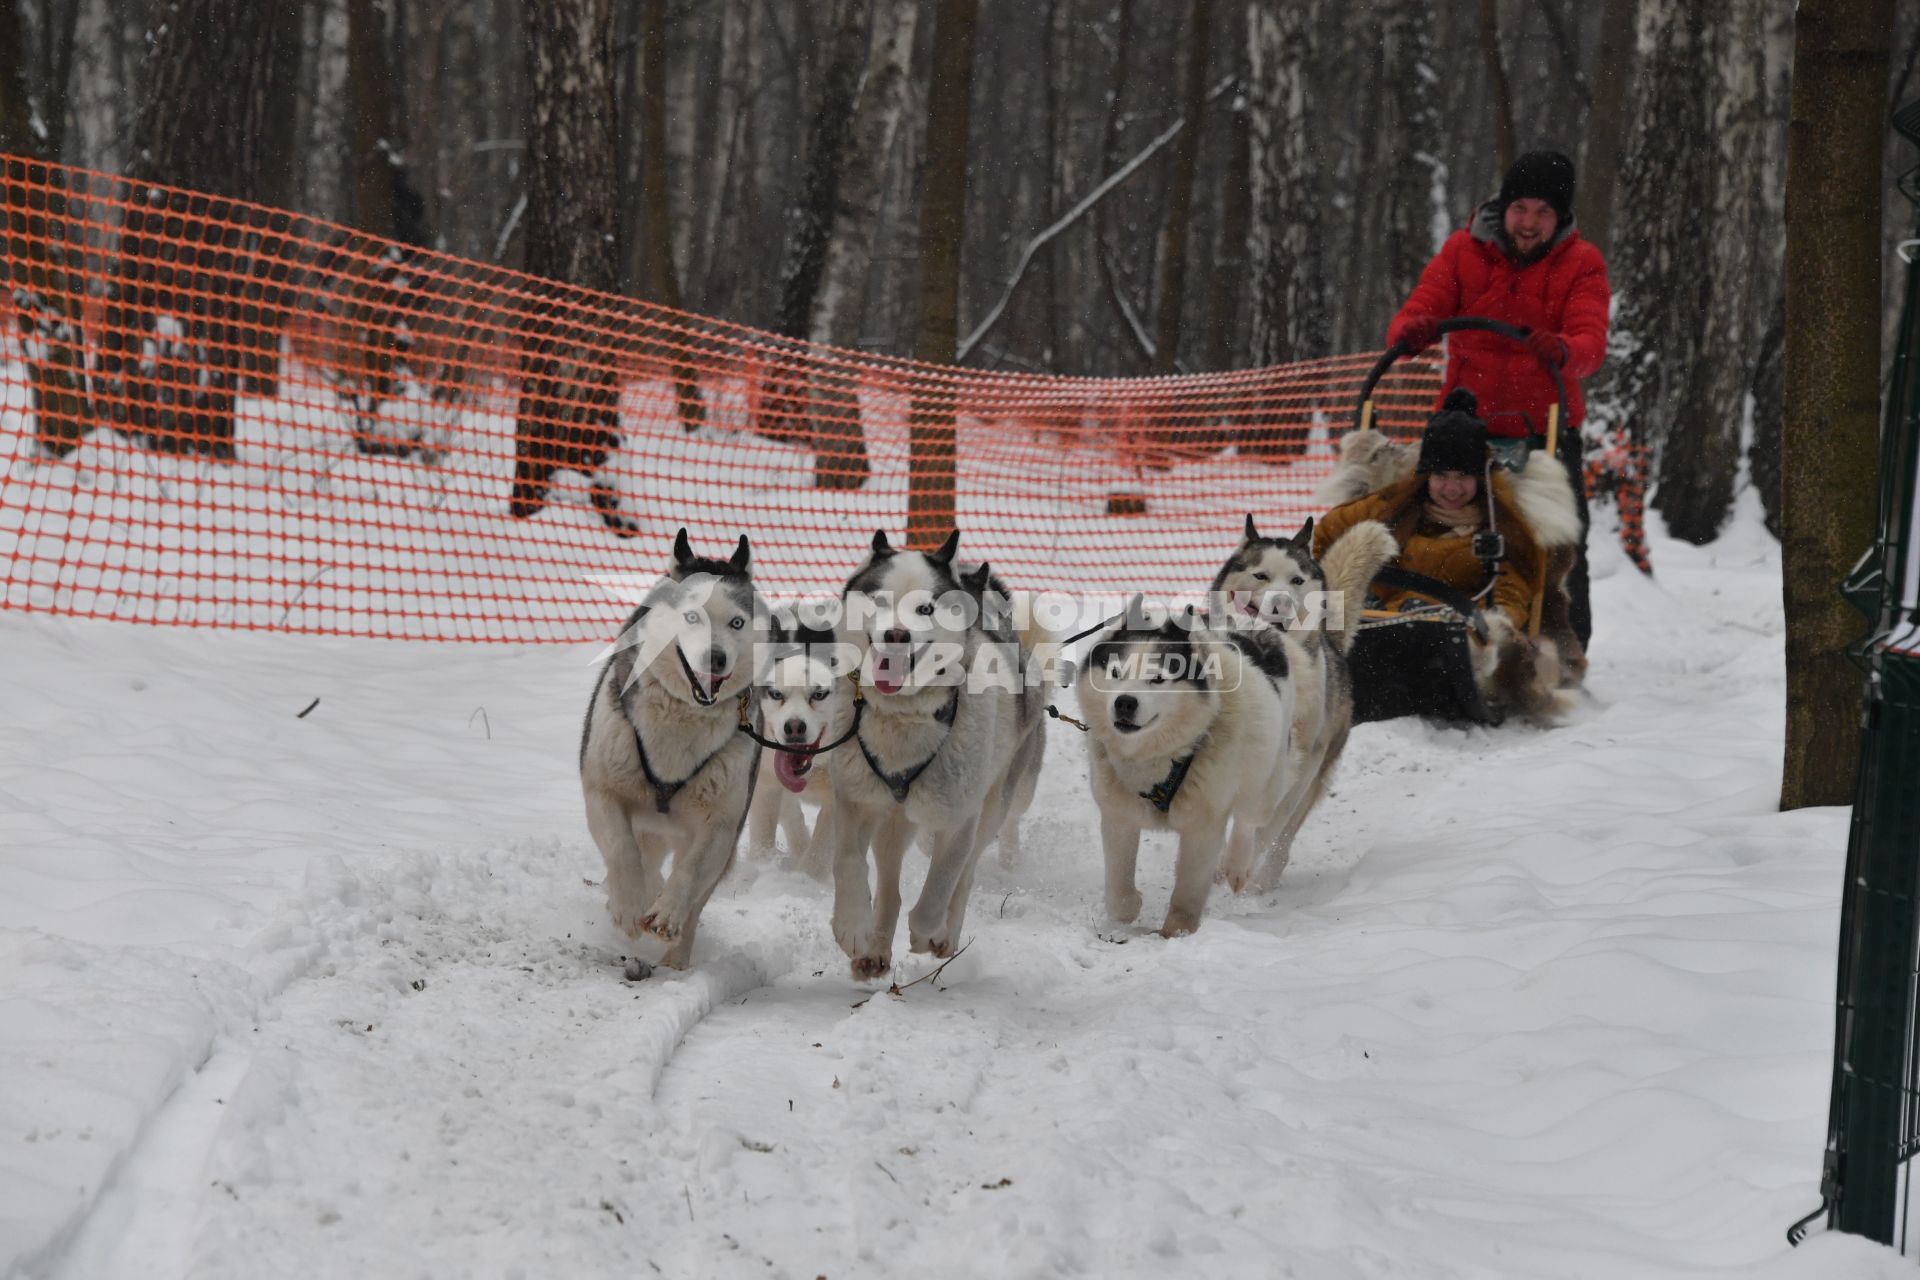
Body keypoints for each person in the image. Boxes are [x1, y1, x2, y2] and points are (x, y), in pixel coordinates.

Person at [1386, 149, 1608, 649]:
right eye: (1520, 208)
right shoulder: (1463, 251)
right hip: (1466, 425)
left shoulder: (1582, 263)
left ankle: (1563, 646)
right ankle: (1437, 626)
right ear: (1503, 208)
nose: (1529, 223)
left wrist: (1565, 349)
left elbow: (1591, 343)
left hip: (1544, 428)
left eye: (1543, 212)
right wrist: (1412, 332)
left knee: (1557, 541)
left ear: (1561, 218)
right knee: (1443, 530)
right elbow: (1418, 310)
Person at [1315, 390, 1578, 721]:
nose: (1451, 489)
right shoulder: (1394, 507)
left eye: (1462, 477)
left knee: (1431, 631)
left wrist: (1498, 624)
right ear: (1426, 476)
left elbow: (1514, 587)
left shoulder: (1500, 523)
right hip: (1380, 621)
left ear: (1478, 478)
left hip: (1454, 635)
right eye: (1441, 476)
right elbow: (1327, 537)